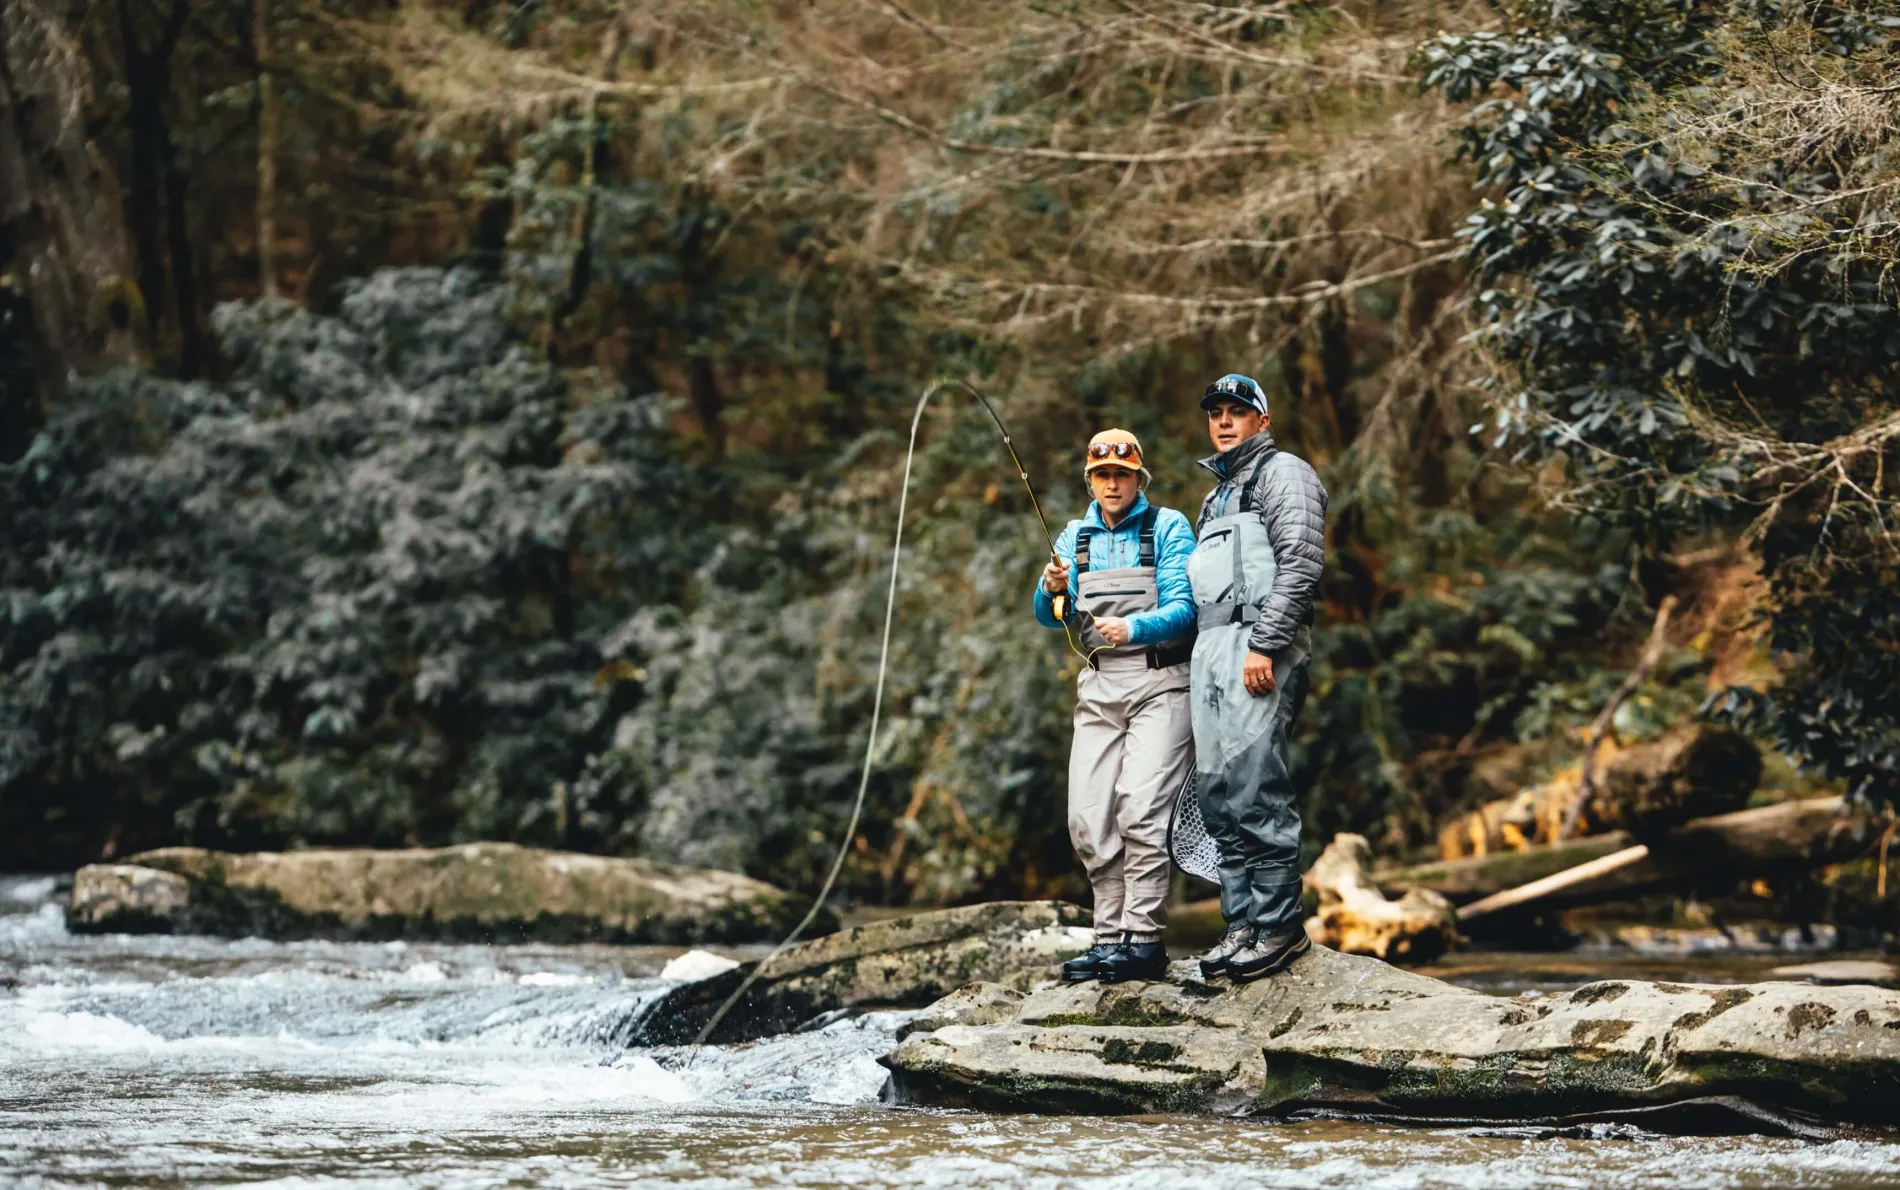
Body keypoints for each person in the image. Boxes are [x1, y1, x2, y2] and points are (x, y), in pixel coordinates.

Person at [1033, 429, 1197, 983]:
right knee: (1089, 815)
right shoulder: (1074, 536)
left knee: (1141, 807)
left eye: (1121, 475)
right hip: (1099, 687)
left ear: (1138, 478)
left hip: (1163, 681)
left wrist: (1133, 627)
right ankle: (1109, 940)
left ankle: (1144, 940)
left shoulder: (1169, 526)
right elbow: (1049, 614)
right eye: (1102, 475)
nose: (1112, 483)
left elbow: (1187, 608)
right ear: (1090, 480)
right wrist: (1050, 584)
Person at [1186, 374, 1328, 982]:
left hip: (1258, 646)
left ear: (1261, 421)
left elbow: (1301, 560)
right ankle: (1242, 923)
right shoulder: (1215, 496)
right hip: (1211, 649)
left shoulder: (1283, 473)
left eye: (1237, 411)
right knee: (1218, 796)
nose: (1224, 420)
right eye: (1216, 411)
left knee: (1255, 785)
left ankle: (1280, 928)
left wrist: (1265, 644)